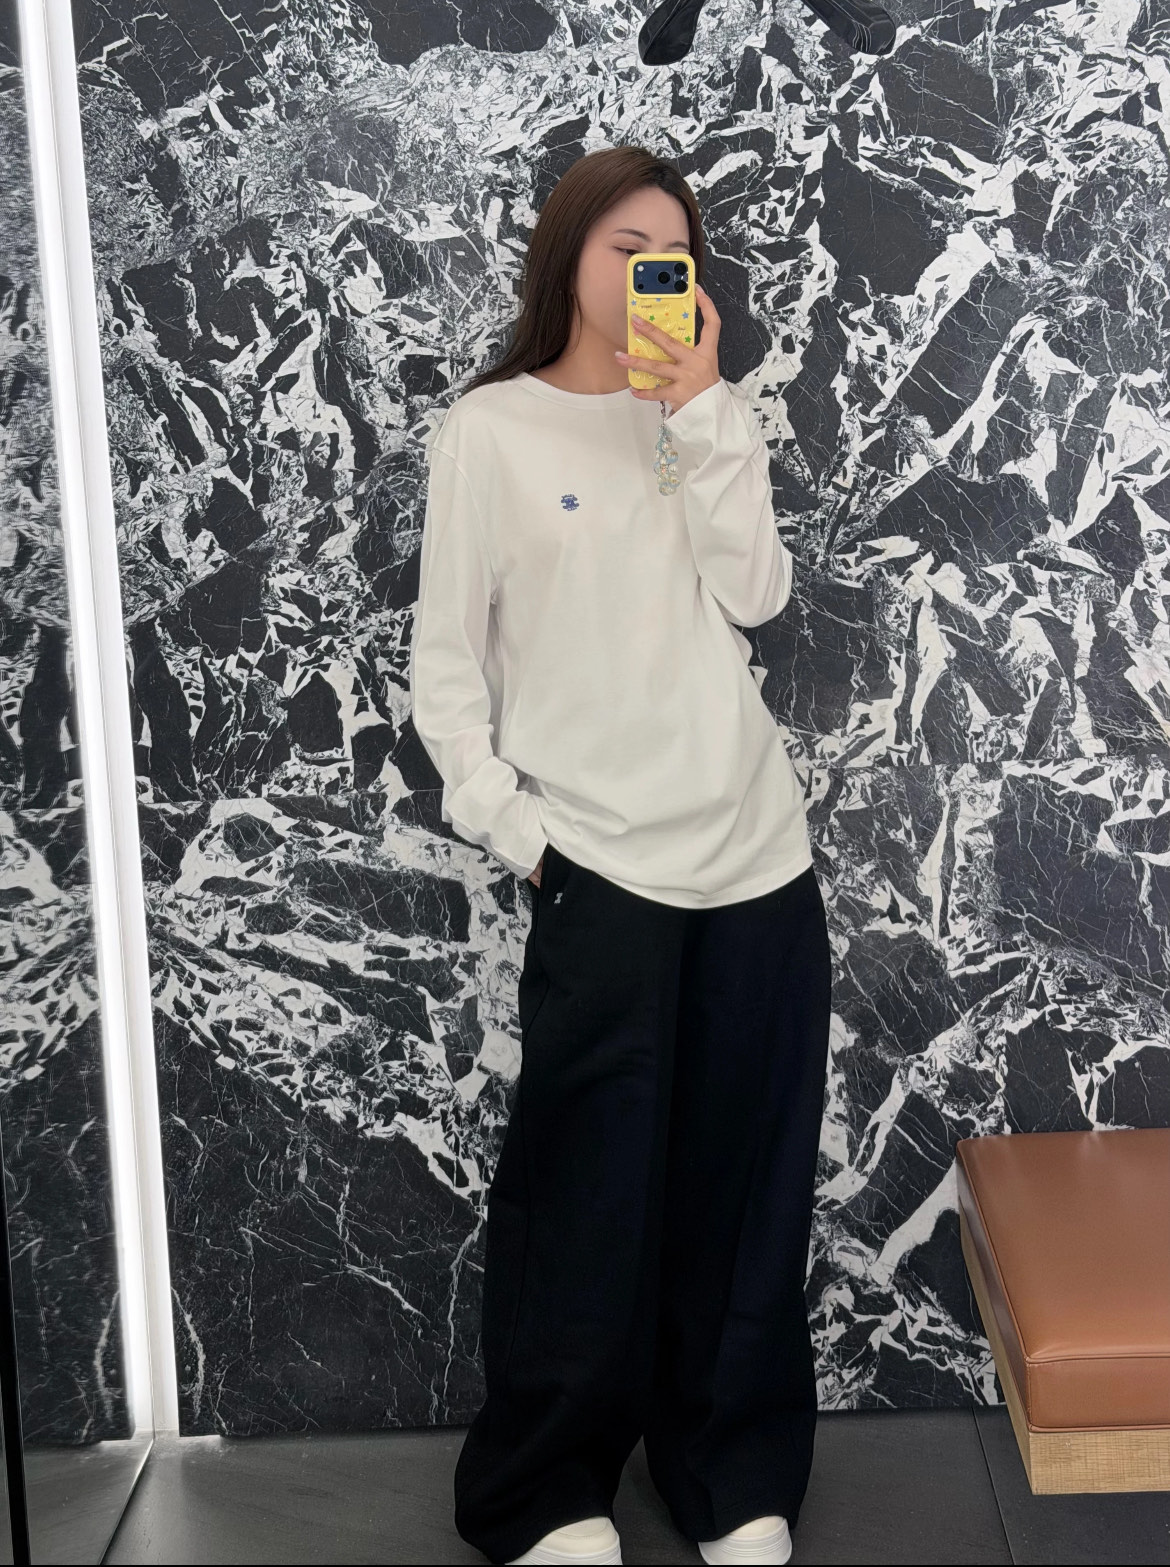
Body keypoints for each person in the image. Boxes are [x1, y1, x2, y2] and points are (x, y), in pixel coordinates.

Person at [408, 144, 832, 1567]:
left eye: (675, 255)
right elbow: (446, 673)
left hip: (756, 856)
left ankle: (729, 1471)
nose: (655, 272)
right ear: (567, 259)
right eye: (624, 249)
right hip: (598, 864)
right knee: (586, 1189)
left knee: (743, 1185)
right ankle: (543, 1489)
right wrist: (522, 836)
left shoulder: (704, 414)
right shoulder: (490, 432)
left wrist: (702, 408)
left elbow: (756, 596)